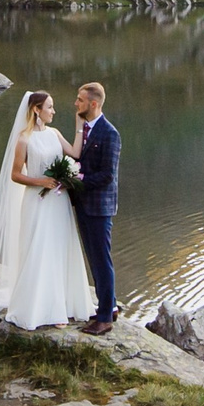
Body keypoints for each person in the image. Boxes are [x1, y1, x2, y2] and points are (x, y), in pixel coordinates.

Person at [0, 89, 96, 330]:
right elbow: (15, 174)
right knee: (39, 249)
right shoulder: (24, 139)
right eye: (49, 107)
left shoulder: (55, 133)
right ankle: (40, 307)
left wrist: (79, 125)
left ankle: (64, 305)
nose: (53, 111)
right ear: (36, 110)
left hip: (59, 202)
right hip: (36, 201)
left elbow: (75, 154)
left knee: (59, 248)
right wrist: (41, 182)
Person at [73, 82, 120, 331]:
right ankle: (109, 306)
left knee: (102, 261)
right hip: (84, 205)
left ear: (93, 104)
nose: (76, 103)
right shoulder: (85, 129)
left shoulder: (109, 133)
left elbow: (107, 175)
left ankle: (104, 320)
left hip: (100, 207)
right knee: (94, 259)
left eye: (80, 100)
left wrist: (77, 181)